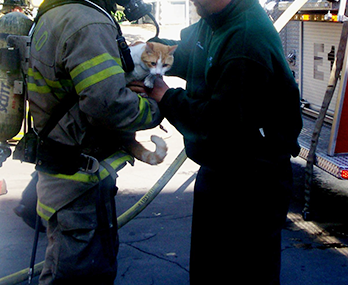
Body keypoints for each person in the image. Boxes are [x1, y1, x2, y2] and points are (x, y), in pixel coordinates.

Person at [131, 0, 303, 284]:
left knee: (242, 273)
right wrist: (147, 48)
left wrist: (165, 95)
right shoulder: (214, 18)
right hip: (219, 172)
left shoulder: (246, 40)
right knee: (209, 271)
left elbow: (218, 124)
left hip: (252, 183)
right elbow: (186, 52)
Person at [27, 0, 161, 283]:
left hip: (58, 171)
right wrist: (156, 108)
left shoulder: (54, 12)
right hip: (80, 182)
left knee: (59, 267)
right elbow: (106, 103)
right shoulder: (88, 22)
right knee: (83, 274)